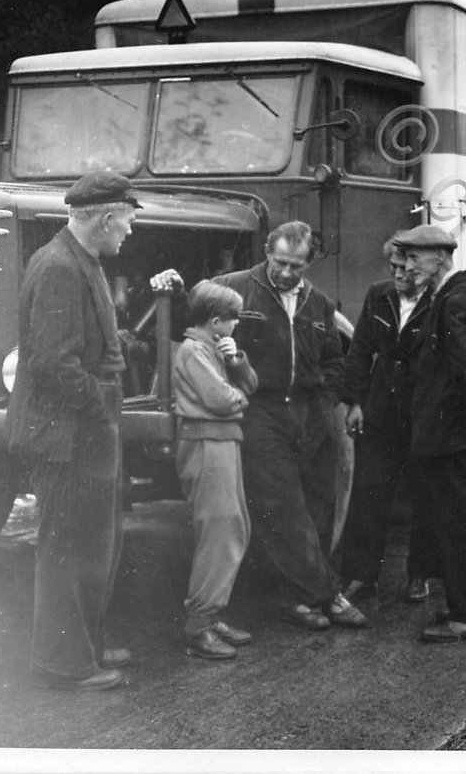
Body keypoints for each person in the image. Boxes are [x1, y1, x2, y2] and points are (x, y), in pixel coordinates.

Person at [5, 169, 141, 691]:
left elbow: (76, 345)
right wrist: (100, 408)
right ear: (106, 218)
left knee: (92, 544)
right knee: (69, 548)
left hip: (81, 432)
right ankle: (63, 663)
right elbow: (53, 363)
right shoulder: (62, 267)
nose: (128, 232)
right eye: (126, 222)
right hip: (69, 436)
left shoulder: (78, 259)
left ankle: (86, 646)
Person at [208, 222, 364, 631]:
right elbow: (193, 322)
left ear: (309, 263)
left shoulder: (320, 304)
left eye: (296, 265)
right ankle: (329, 595)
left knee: (318, 503)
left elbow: (334, 358)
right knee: (284, 507)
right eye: (280, 262)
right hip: (262, 411)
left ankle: (297, 602)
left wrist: (327, 397)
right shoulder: (233, 288)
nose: (287, 273)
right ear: (266, 253)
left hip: (309, 412)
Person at [392, 225, 466, 643]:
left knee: (464, 526)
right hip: (456, 437)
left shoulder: (457, 303)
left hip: (457, 439)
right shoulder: (451, 298)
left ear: (440, 257)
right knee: (465, 523)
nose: (409, 265)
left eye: (416, 258)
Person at [336, 239, 436, 606]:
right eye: (391, 267)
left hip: (422, 412)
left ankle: (420, 574)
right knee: (369, 491)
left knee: (424, 494)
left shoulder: (438, 302)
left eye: (403, 268)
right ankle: (362, 575)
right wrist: (355, 402)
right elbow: (360, 350)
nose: (396, 274)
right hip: (379, 411)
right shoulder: (378, 296)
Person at [171, 280, 259, 660]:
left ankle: (210, 611)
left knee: (234, 526)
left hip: (222, 441)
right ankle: (200, 624)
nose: (236, 325)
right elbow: (222, 400)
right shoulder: (193, 351)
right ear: (216, 320)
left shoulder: (212, 349)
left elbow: (251, 385)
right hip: (208, 442)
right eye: (233, 320)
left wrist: (236, 359)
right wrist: (239, 398)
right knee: (220, 530)